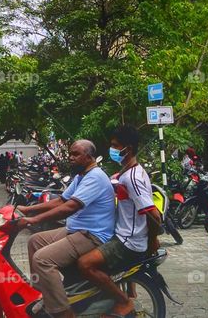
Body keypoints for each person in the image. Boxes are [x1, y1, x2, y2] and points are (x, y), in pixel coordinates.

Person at [17, 140, 115, 318]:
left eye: (75, 154)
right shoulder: (81, 176)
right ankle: (44, 294)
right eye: (70, 154)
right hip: (76, 230)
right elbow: (61, 200)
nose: (70, 158)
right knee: (35, 241)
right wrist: (28, 210)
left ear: (89, 157)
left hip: (92, 235)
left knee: (42, 260)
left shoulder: (95, 177)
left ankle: (63, 312)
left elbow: (70, 207)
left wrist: (33, 220)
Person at [76, 127, 161, 318]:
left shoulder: (132, 178)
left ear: (127, 149)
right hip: (124, 235)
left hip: (127, 242)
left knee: (84, 264)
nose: (111, 149)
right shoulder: (127, 171)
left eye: (115, 146)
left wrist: (152, 240)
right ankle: (124, 293)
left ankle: (123, 302)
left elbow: (154, 215)